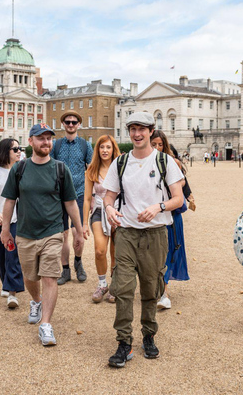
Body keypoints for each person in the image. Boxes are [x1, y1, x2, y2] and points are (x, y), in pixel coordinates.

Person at [102, 112, 184, 368]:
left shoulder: (164, 162)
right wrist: (109, 209)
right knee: (123, 288)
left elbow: (178, 199)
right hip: (126, 233)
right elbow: (108, 196)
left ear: (151, 130)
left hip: (156, 234)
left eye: (142, 129)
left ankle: (149, 335)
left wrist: (158, 207)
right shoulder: (120, 162)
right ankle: (124, 343)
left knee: (151, 289)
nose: (137, 134)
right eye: (133, 129)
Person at [0, 123, 87, 347]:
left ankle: (46, 324)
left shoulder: (60, 169)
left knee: (49, 276)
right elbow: (10, 200)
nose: (46, 142)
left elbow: (70, 203)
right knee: (30, 276)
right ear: (31, 142)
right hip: (26, 233)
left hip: (53, 232)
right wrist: (5, 229)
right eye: (41, 138)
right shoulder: (20, 169)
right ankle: (36, 302)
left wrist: (78, 230)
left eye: (49, 138)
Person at [50, 110, 93, 285]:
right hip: (59, 196)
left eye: (74, 122)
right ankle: (65, 269)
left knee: (79, 234)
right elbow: (49, 169)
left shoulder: (85, 146)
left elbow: (90, 172)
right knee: (62, 235)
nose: (70, 124)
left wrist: (92, 196)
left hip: (79, 194)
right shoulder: (56, 145)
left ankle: (78, 261)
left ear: (79, 125)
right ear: (63, 124)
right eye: (67, 122)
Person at [150, 130, 190, 311]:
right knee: (153, 254)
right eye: (154, 144)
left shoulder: (173, 162)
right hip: (152, 214)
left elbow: (184, 183)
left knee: (169, 252)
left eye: (160, 144)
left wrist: (189, 195)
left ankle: (164, 292)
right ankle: (156, 288)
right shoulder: (144, 163)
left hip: (171, 214)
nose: (157, 148)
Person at [0, 138, 25, 309]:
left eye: (19, 148)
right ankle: (6, 282)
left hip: (14, 218)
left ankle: (12, 292)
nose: (18, 151)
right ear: (5, 151)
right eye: (14, 149)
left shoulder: (21, 170)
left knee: (12, 255)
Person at [83, 135, 120, 303]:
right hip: (98, 210)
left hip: (118, 212)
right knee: (100, 250)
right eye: (102, 147)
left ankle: (115, 285)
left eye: (108, 147)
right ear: (97, 150)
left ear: (113, 149)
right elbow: (86, 199)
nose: (105, 150)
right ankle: (102, 283)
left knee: (116, 251)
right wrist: (84, 223)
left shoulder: (121, 166)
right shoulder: (92, 169)